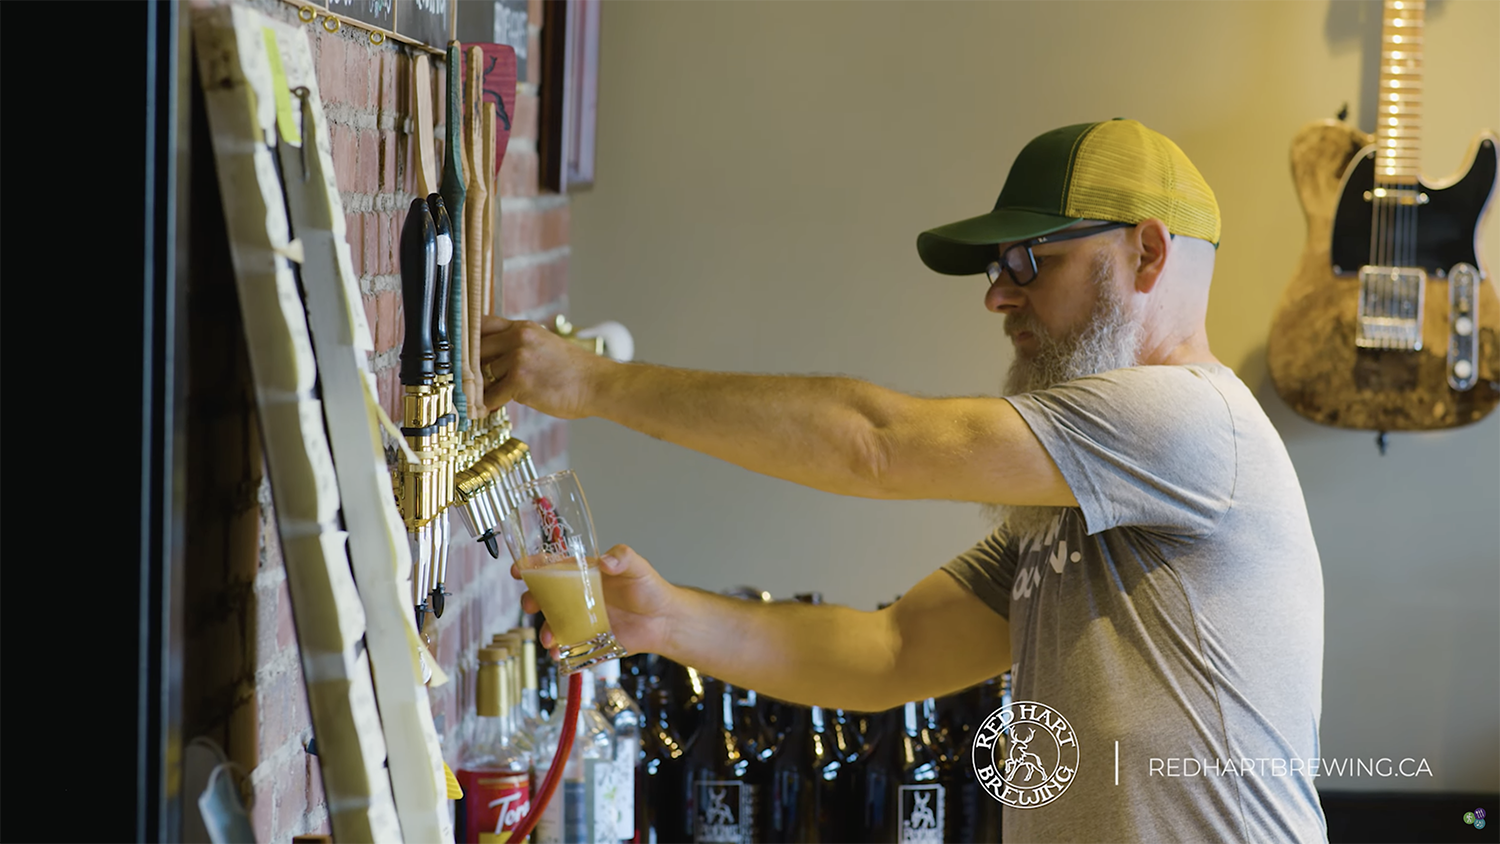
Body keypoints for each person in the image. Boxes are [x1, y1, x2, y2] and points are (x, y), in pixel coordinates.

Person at [479, 118, 1327, 843]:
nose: (998, 297)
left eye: (1028, 260)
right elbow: (893, 652)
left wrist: (592, 383)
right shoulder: (1089, 503)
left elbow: (876, 446)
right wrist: (668, 620)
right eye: (998, 267)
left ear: (1147, 251)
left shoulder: (1190, 421)